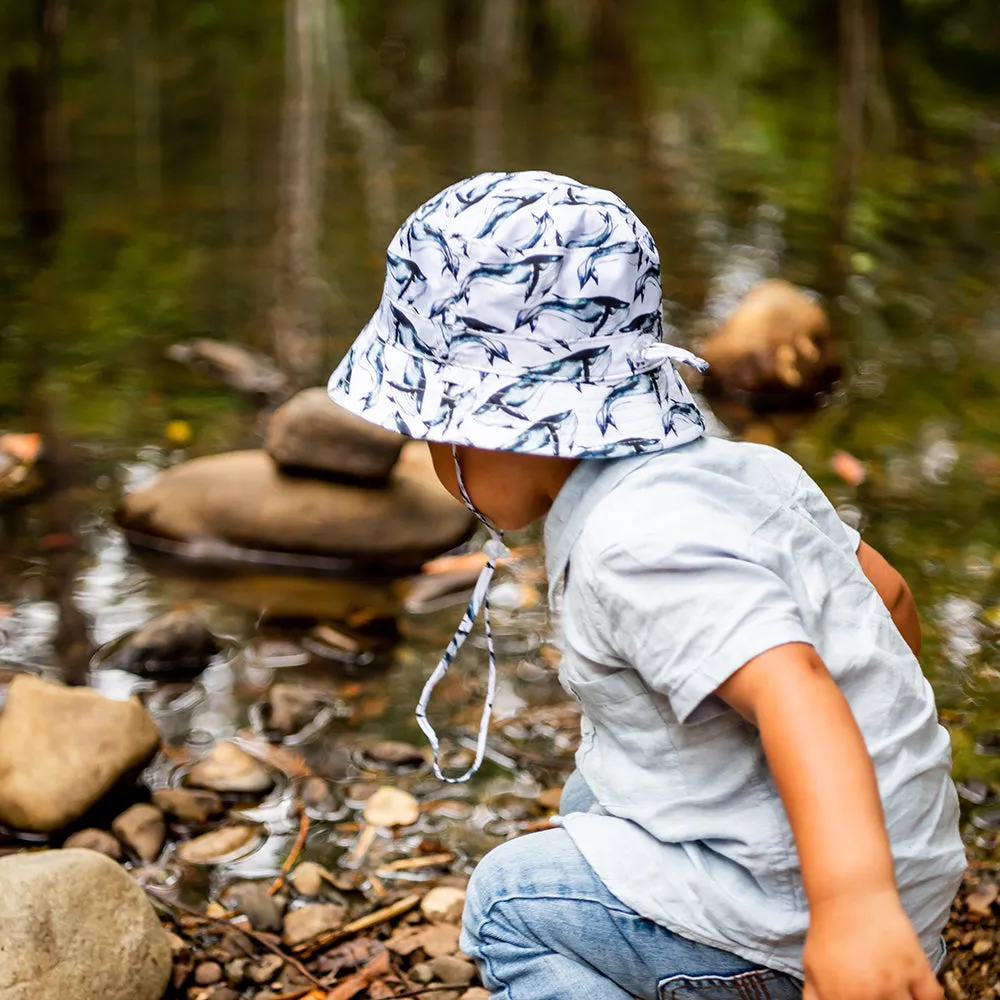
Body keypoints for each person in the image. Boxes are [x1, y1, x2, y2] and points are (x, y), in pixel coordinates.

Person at [327, 171, 966, 1000]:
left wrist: (852, 909)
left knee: (505, 905)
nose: (431, 457)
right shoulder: (743, 469)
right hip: (908, 872)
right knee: (594, 790)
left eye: (435, 431)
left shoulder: (636, 543)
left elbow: (796, 695)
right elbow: (890, 606)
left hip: (817, 927)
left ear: (503, 427)